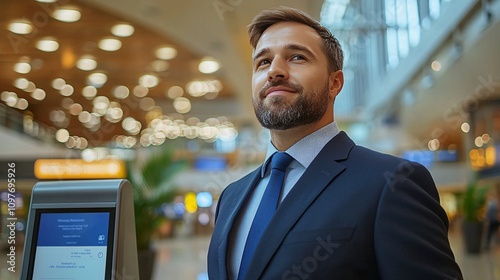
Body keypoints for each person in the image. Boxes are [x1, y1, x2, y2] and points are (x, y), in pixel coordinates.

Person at [207, 6, 463, 280]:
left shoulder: (392, 183)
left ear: (335, 83)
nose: (275, 71)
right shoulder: (231, 197)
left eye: (296, 57)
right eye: (263, 62)